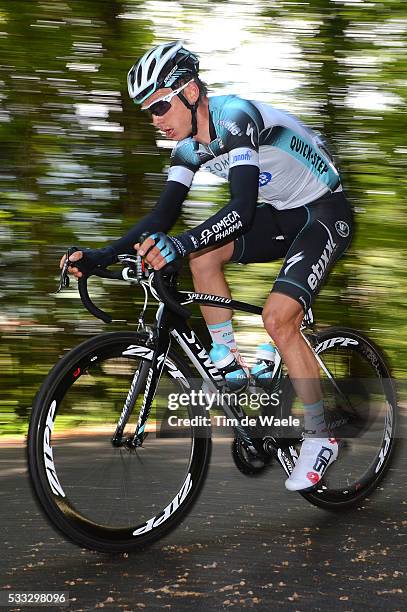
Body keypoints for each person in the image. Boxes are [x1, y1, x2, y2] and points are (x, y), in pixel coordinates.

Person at [62, 41, 353, 492]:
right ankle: (229, 361)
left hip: (323, 212)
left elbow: (241, 210)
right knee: (203, 252)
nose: (156, 119)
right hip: (281, 214)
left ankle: (320, 435)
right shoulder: (186, 149)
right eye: (149, 112)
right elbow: (160, 219)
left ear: (190, 91)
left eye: (160, 105)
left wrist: (176, 244)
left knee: (278, 319)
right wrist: (98, 256)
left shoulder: (235, 118)